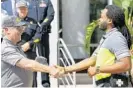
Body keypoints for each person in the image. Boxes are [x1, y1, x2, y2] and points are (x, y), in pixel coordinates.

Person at [54, 5, 132, 87]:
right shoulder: (106, 38)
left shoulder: (116, 38)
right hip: (104, 84)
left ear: (109, 20)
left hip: (112, 84)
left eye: (101, 17)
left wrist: (97, 69)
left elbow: (126, 65)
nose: (99, 20)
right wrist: (65, 69)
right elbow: (91, 60)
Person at [1, 16, 57, 87]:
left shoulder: (16, 47)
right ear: (6, 30)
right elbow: (28, 65)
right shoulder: (5, 48)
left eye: (22, 28)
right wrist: (50, 69)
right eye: (18, 28)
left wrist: (38, 64)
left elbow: (24, 68)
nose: (22, 31)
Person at [27, 0, 55, 87]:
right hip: (30, 34)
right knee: (30, 58)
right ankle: (32, 84)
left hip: (43, 33)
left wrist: (42, 25)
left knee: (44, 59)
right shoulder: (27, 1)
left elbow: (50, 14)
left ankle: (45, 83)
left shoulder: (46, 1)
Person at [15, 0, 43, 86]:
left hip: (30, 53)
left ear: (27, 9)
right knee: (17, 78)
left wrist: (30, 43)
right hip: (16, 53)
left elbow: (38, 37)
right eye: (20, 9)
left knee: (32, 79)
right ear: (17, 10)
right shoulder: (12, 21)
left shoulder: (33, 22)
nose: (22, 10)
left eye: (24, 8)